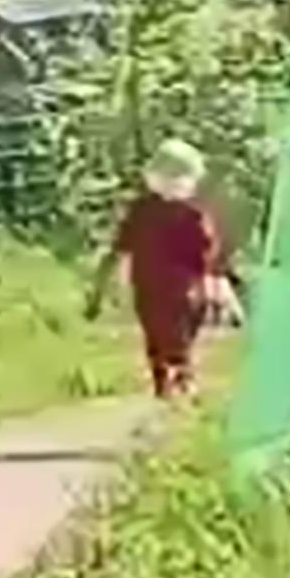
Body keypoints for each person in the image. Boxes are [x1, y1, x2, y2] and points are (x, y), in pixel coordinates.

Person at [88, 139, 225, 400]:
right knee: (171, 331)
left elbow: (120, 246)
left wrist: (101, 286)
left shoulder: (149, 210)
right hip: (173, 286)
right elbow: (207, 252)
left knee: (160, 332)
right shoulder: (186, 213)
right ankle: (177, 377)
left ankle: (170, 379)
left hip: (160, 285)